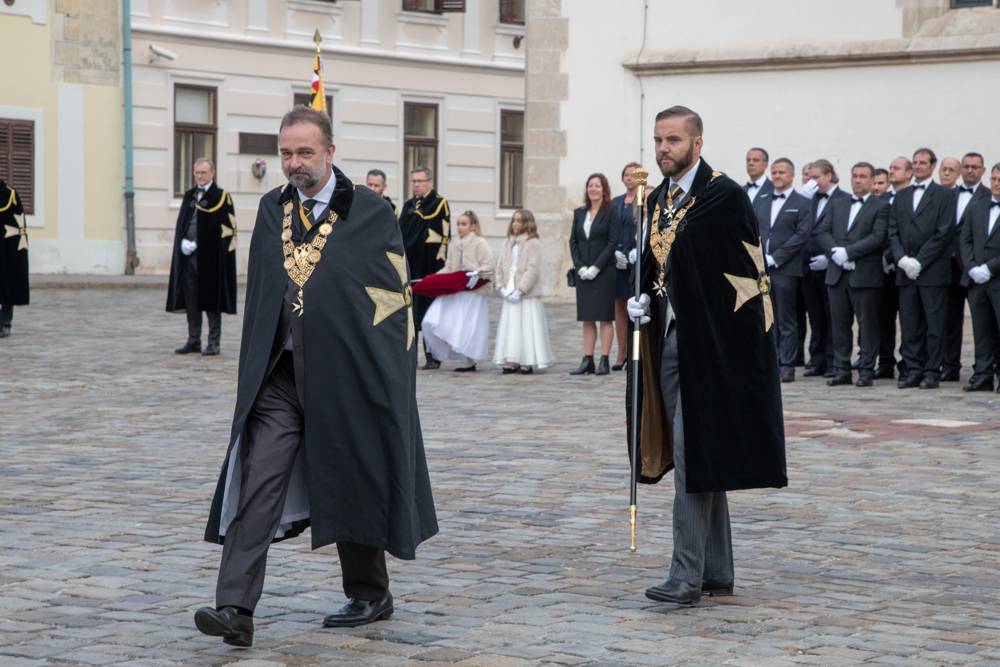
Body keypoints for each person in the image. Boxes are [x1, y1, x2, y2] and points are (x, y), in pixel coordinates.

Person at [195, 107, 438, 647]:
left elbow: (390, 303)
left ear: (330, 152)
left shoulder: (370, 212)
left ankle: (370, 592)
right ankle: (234, 606)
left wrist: (386, 379)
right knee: (259, 481)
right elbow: (263, 293)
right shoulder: (269, 209)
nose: (294, 163)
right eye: (286, 153)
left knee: (352, 476)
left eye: (305, 152)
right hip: (281, 376)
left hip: (345, 375)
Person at [626, 105, 786, 605]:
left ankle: (685, 574)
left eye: (672, 140)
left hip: (713, 348)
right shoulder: (656, 198)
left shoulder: (722, 196)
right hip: (669, 340)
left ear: (697, 143)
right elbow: (660, 267)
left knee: (694, 454)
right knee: (698, 452)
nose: (662, 150)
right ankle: (716, 568)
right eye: (657, 140)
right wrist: (643, 301)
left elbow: (739, 279)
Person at [818, 162, 890, 387]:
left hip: (865, 274)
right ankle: (841, 369)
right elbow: (822, 231)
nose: (858, 180)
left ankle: (867, 370)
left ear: (871, 180)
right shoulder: (838, 203)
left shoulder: (881, 206)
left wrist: (849, 253)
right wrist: (836, 253)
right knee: (839, 324)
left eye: (863, 176)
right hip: (837, 273)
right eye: (855, 176)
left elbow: (878, 237)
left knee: (867, 325)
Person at [888, 147, 955, 389]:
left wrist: (920, 260)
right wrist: (902, 259)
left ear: (932, 165)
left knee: (934, 325)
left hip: (932, 271)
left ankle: (931, 371)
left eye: (922, 162)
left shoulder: (945, 195)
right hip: (906, 271)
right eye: (914, 162)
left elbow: (944, 232)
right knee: (909, 323)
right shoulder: (902, 195)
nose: (917, 166)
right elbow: (892, 230)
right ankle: (913, 368)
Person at [165, 158, 238, 356]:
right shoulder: (189, 195)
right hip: (189, 257)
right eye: (196, 172)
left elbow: (227, 229)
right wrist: (182, 241)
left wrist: (201, 242)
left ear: (212, 173)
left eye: (203, 172)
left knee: (211, 300)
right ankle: (193, 339)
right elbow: (183, 223)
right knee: (191, 300)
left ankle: (214, 342)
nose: (199, 176)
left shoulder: (221, 196)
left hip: (211, 258)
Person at [753, 158, 811, 382]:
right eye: (774, 172)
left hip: (786, 269)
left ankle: (787, 364)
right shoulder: (763, 200)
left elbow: (801, 235)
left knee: (786, 318)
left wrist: (776, 258)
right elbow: (754, 229)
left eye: (782, 173)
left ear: (791, 176)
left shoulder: (802, 202)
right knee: (766, 317)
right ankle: (770, 361)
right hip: (761, 270)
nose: (777, 176)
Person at [421, 210, 494, 372]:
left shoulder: (479, 243)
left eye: (464, 224)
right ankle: (451, 348)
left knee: (468, 325)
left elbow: (488, 266)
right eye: (458, 224)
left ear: (473, 226)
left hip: (473, 291)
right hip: (456, 289)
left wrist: (475, 273)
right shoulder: (454, 243)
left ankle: (470, 360)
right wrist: (433, 278)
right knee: (437, 316)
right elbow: (450, 267)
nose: (460, 227)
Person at [942, 152, 990, 382]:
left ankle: (984, 368)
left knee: (982, 320)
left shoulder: (989, 196)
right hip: (948, 265)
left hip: (974, 266)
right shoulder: (948, 195)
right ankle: (950, 365)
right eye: (967, 166)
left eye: (975, 167)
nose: (970, 171)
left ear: (982, 170)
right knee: (949, 319)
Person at [569, 173, 621, 376]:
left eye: (597, 186)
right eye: (590, 185)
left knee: (605, 318)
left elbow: (612, 242)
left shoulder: (611, 212)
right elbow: (573, 241)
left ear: (604, 189)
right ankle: (587, 359)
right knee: (587, 318)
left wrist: (596, 267)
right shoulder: (579, 213)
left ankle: (604, 359)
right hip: (583, 273)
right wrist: (580, 266)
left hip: (604, 272)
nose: (593, 189)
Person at [399, 166, 450, 369]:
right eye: (414, 181)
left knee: (429, 314)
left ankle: (432, 355)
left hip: (429, 266)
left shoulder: (439, 204)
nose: (417, 185)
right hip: (411, 265)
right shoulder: (409, 205)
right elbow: (401, 233)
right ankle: (409, 356)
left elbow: (443, 235)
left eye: (420, 181)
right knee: (411, 313)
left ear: (430, 182)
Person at [802, 159, 850, 378]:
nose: (812, 182)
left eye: (816, 177)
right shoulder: (809, 199)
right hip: (809, 265)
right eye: (809, 177)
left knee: (834, 316)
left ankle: (833, 361)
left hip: (833, 264)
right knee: (815, 316)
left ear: (829, 175)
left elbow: (841, 233)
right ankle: (817, 358)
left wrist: (829, 257)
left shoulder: (844, 199)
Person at [493, 208, 554, 374]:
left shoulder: (533, 243)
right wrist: (501, 287)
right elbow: (500, 266)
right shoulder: (508, 242)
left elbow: (532, 269)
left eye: (519, 220)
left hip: (525, 294)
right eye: (514, 220)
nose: (515, 224)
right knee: (512, 326)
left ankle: (527, 359)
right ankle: (512, 359)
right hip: (509, 289)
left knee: (526, 326)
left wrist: (521, 290)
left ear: (527, 223)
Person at [959, 162, 1000, 393]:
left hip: (996, 278)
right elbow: (964, 240)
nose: (996, 184)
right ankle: (983, 374)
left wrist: (990, 268)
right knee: (981, 330)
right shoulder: (977, 207)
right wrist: (972, 266)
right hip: (976, 280)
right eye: (994, 179)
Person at [875, 156, 914, 379]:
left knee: (909, 319)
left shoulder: (911, 198)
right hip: (882, 269)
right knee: (884, 317)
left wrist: (896, 256)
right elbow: (883, 231)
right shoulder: (885, 199)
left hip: (906, 265)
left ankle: (908, 362)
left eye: (896, 168)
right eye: (890, 167)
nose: (891, 171)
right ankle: (885, 362)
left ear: (908, 173)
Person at [611, 162, 642, 370]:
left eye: (634, 175)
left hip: (636, 258)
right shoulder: (615, 203)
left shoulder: (645, 199)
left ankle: (635, 352)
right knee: (619, 306)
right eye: (627, 175)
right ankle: (621, 352)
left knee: (636, 306)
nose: (630, 178)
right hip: (617, 259)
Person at [0, 179, 28, 337]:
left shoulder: (10, 195)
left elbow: (19, 225)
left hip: (6, 248)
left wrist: (16, 251)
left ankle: (5, 323)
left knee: (7, 283)